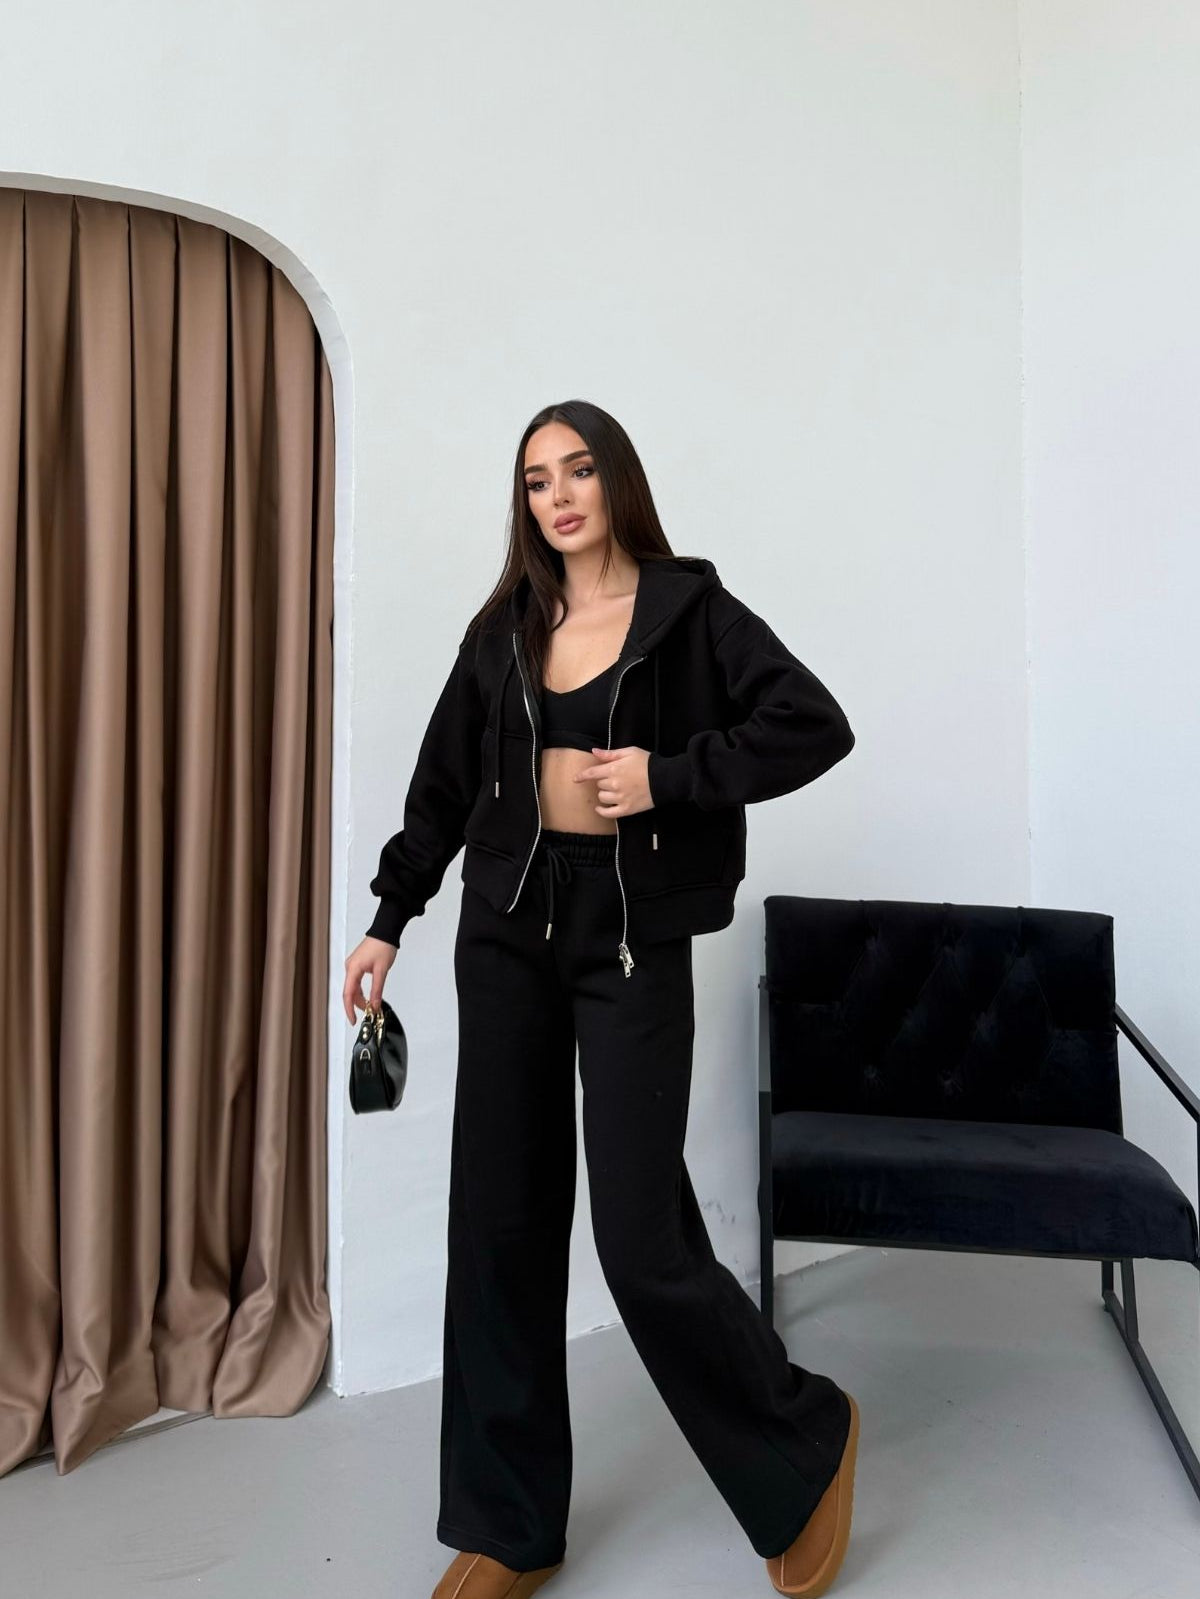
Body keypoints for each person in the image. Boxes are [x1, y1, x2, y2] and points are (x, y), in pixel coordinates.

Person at [343, 399, 861, 1599]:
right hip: (504, 932)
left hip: (627, 939)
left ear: (616, 480)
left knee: (640, 1241)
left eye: (578, 471)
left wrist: (671, 776)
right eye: (536, 481)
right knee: (500, 1225)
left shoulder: (691, 612)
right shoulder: (506, 628)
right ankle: (509, 1524)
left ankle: (805, 1442)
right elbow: (442, 784)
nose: (559, 496)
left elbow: (812, 725)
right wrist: (387, 917)